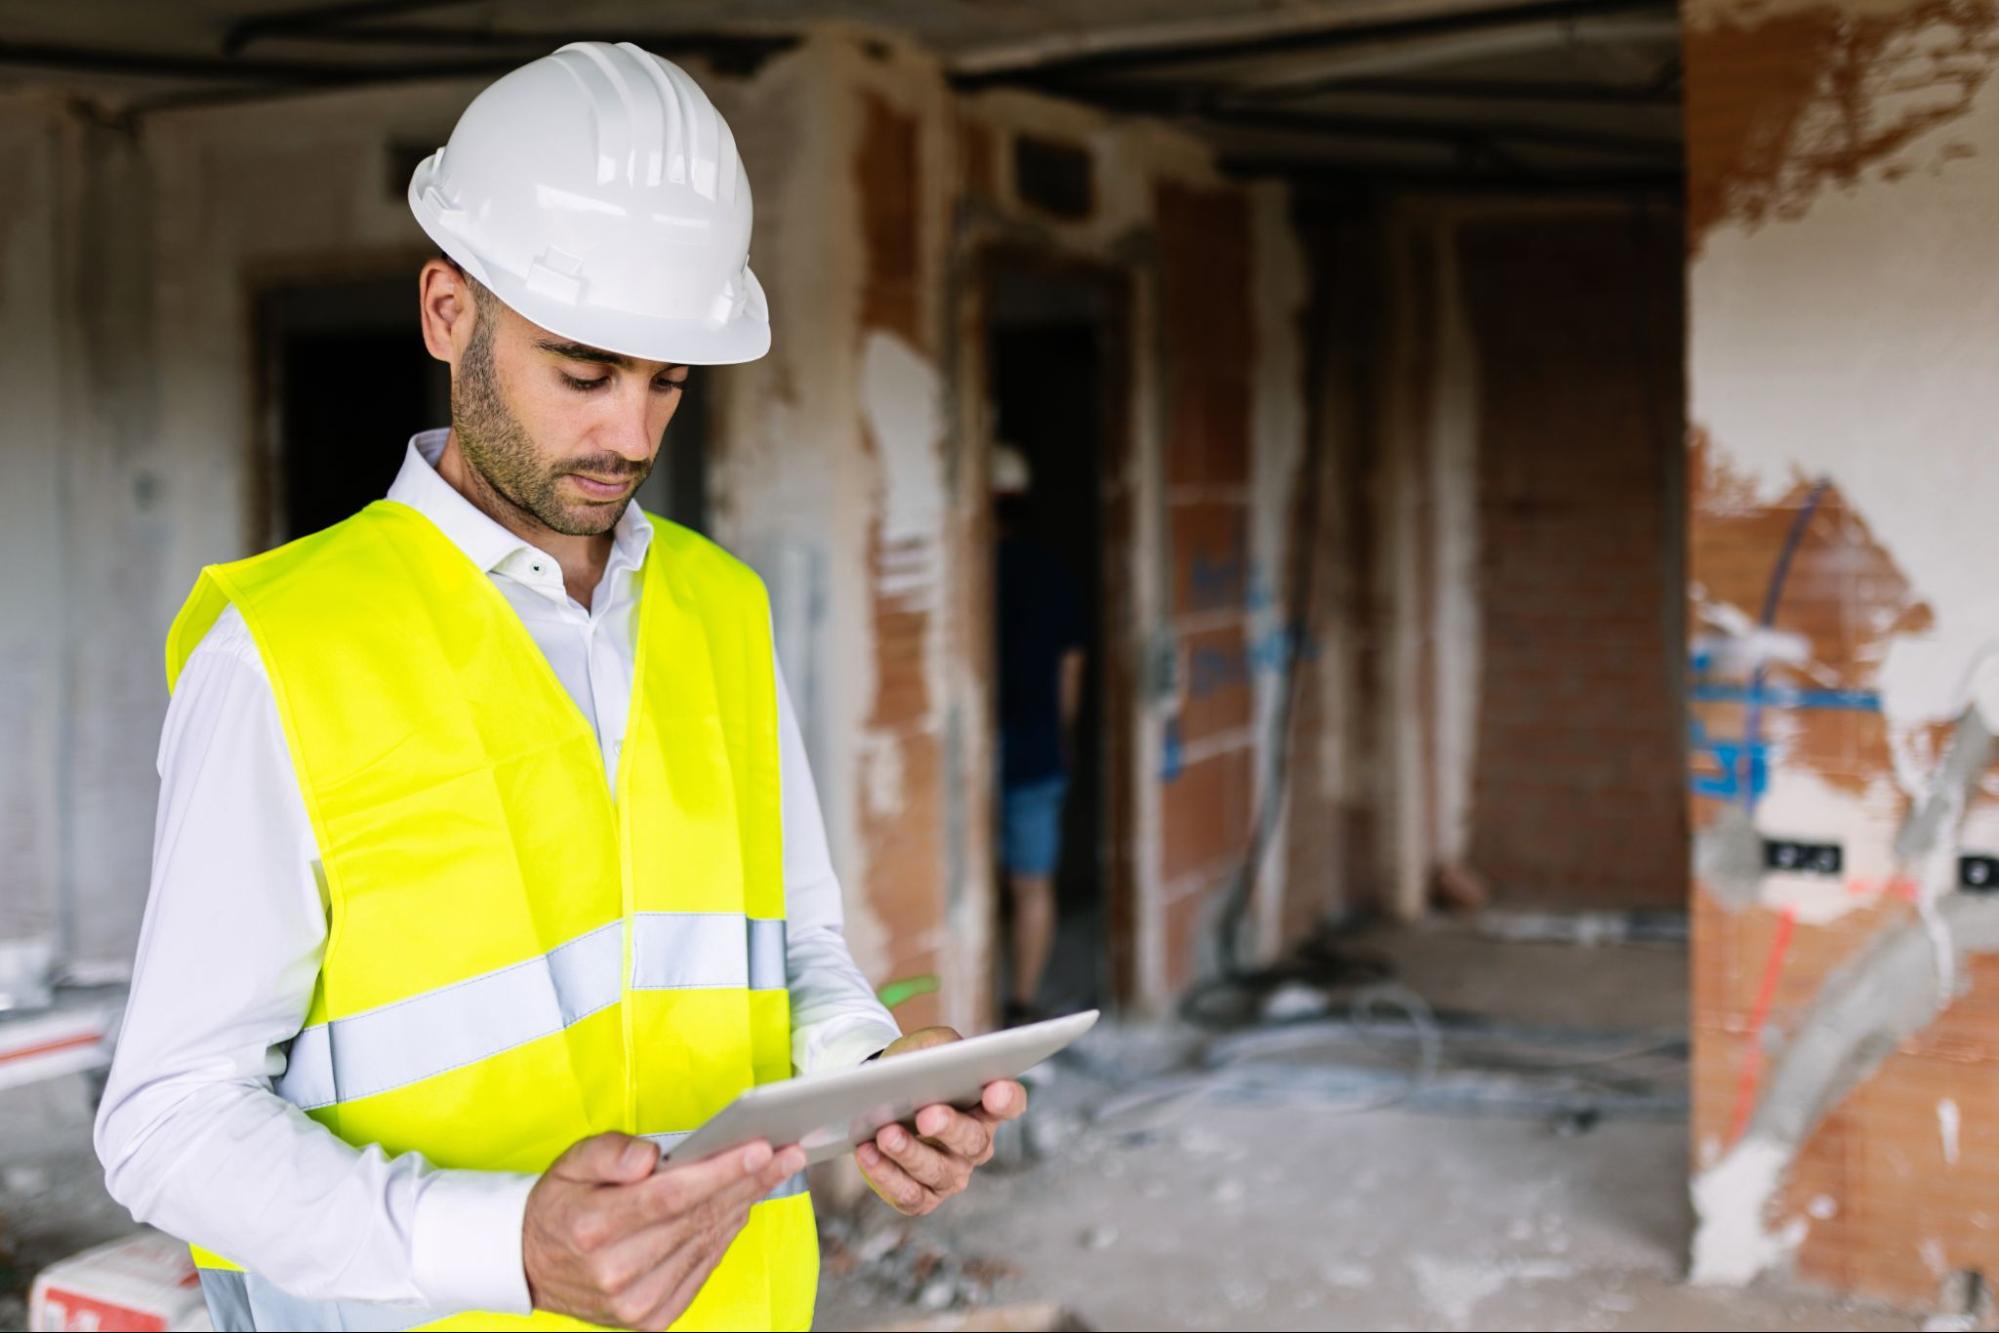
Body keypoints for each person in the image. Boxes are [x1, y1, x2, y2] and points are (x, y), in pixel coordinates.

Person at [93, 43, 1022, 1333]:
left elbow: (795, 948)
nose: (631, 436)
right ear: (444, 313)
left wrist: (866, 1077)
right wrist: (502, 1244)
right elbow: (167, 1120)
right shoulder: (285, 648)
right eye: (584, 371)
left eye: (668, 382)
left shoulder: (719, 607)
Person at [992, 445, 1088, 1026]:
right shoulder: (1050, 570)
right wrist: (1062, 734)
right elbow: (1070, 668)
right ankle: (1020, 1003)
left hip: (975, 752)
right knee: (1031, 884)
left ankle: (971, 999)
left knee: (982, 884)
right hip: (1035, 747)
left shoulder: (967, 570)